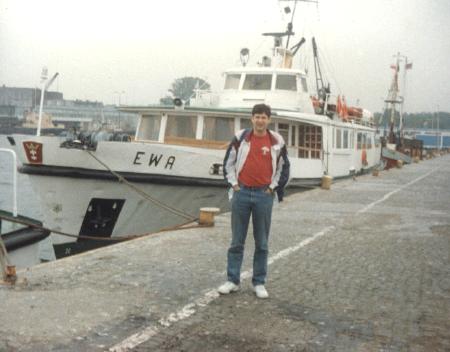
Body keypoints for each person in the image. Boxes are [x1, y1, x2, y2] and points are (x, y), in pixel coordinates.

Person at [218, 103, 290, 299]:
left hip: (263, 196)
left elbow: (283, 168)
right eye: (257, 116)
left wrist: (272, 188)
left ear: (269, 120)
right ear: (251, 118)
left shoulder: (276, 141)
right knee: (236, 241)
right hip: (241, 193)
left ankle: (259, 282)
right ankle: (232, 280)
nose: (260, 120)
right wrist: (233, 184)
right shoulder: (241, 138)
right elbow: (228, 162)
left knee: (262, 242)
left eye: (264, 117)